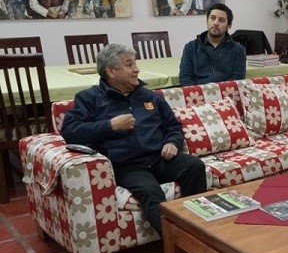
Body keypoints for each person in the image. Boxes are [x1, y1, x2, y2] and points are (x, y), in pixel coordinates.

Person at [61, 44, 207, 236]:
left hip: (159, 158)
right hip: (127, 166)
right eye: (129, 65)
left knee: (195, 166)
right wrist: (110, 125)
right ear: (111, 71)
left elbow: (173, 126)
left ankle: (200, 230)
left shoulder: (149, 96)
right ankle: (181, 245)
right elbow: (70, 131)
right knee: (151, 191)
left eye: (135, 64)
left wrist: (172, 142)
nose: (136, 69)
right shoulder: (90, 98)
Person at [178, 2, 246, 85]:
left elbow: (237, 81)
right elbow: (185, 78)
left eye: (221, 20)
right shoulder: (191, 48)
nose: (216, 23)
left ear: (229, 26)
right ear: (207, 20)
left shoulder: (238, 50)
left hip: (226, 95)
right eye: (212, 18)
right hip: (197, 95)